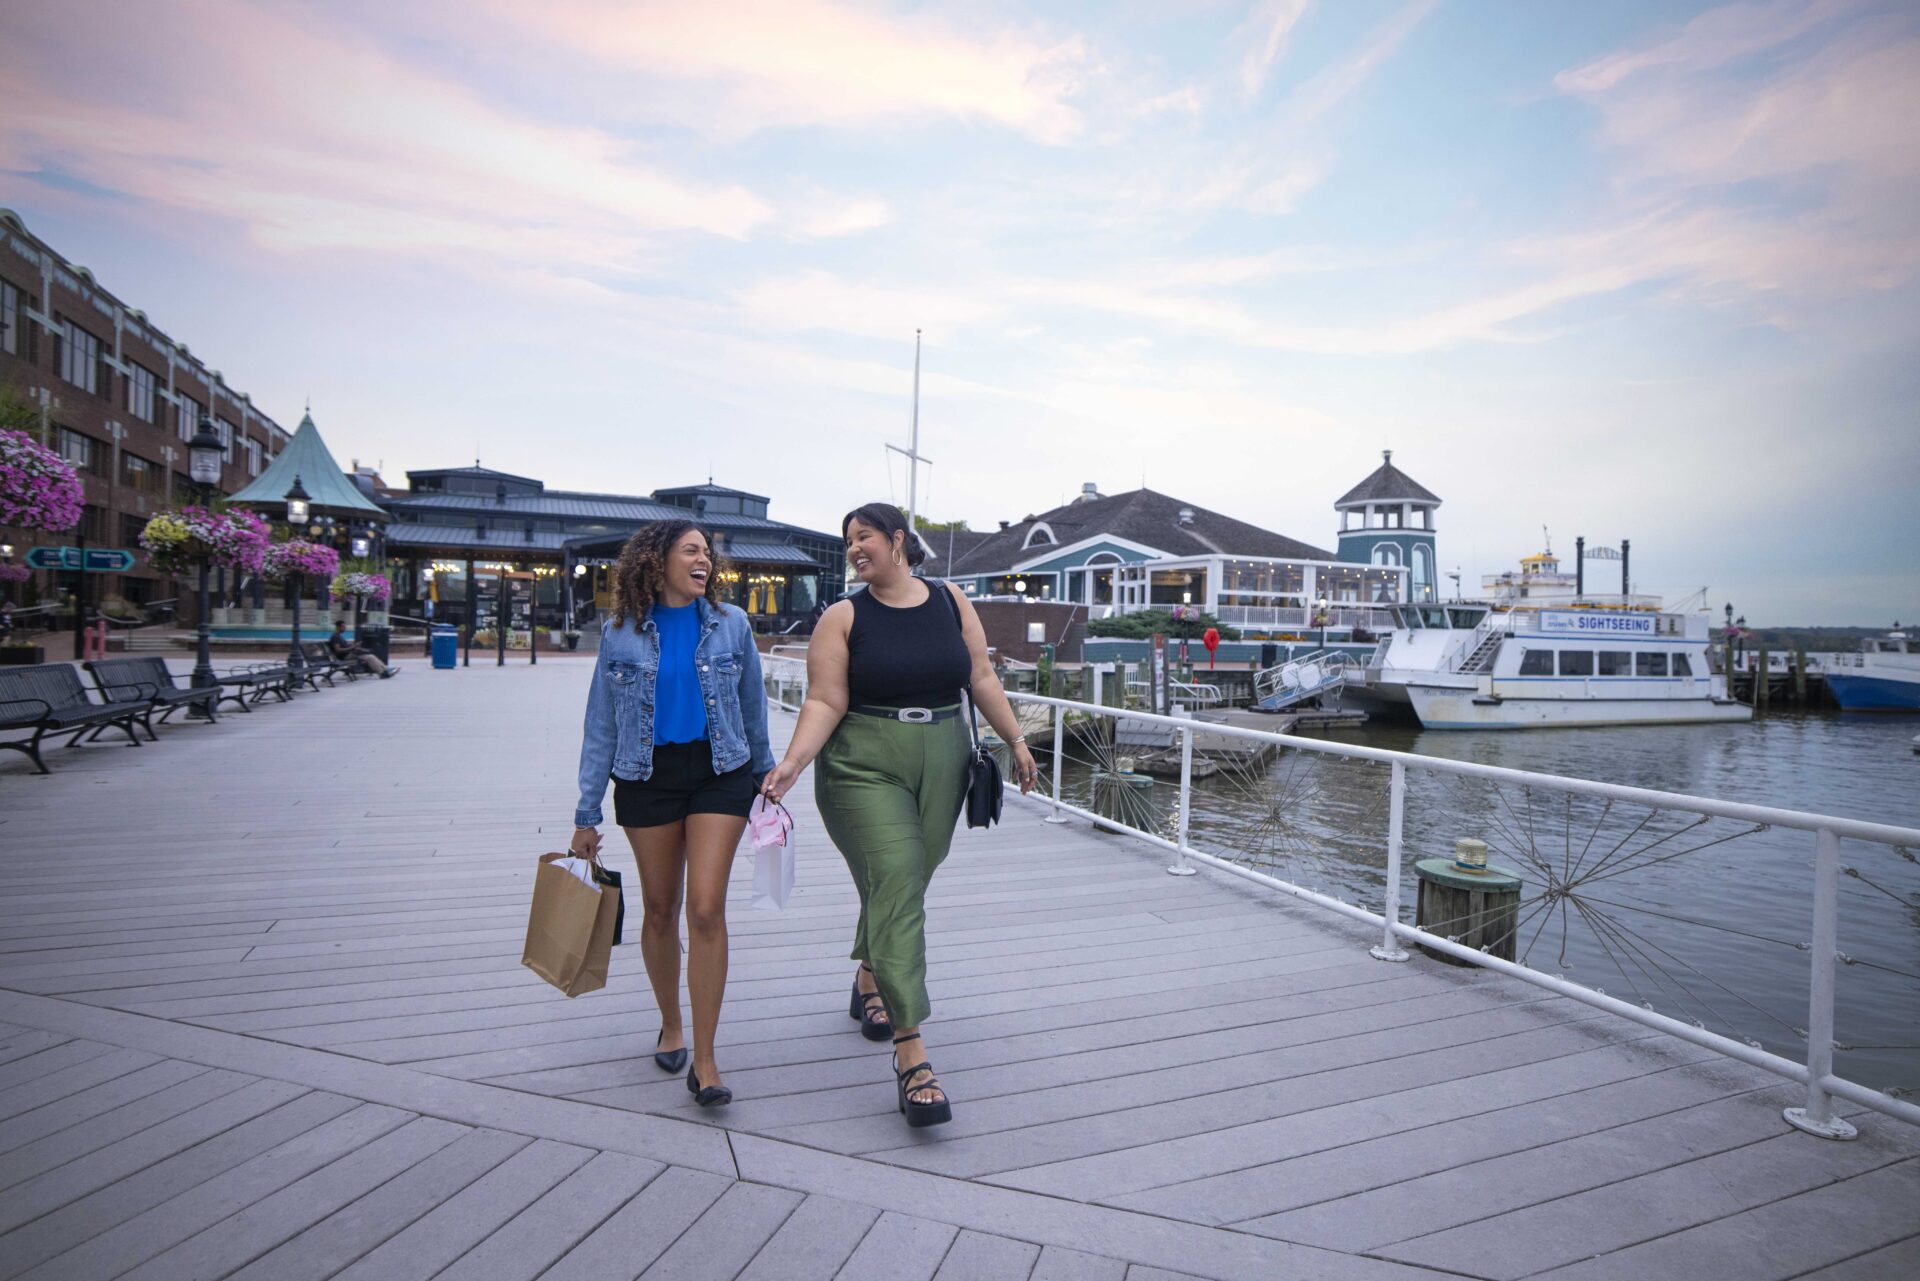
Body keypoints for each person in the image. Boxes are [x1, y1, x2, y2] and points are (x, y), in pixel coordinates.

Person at [760, 503, 1038, 1128]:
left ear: (897, 540)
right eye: (848, 541)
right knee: (897, 874)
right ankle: (912, 1051)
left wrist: (1017, 740)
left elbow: (982, 676)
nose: (855, 549)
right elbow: (827, 698)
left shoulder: (950, 601)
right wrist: (793, 764)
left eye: (865, 537)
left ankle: (869, 975)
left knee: (907, 879)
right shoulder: (843, 617)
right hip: (862, 761)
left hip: (943, 756)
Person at [571, 520, 773, 1108]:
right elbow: (600, 725)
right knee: (661, 910)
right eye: (691, 550)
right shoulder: (621, 633)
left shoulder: (732, 625)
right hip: (645, 778)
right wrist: (587, 813)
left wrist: (765, 780)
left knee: (706, 909)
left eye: (707, 552)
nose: (704, 559)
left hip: (720, 772)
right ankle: (671, 1023)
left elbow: (752, 707)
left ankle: (705, 1062)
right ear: (656, 562)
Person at [328, 620, 396, 678]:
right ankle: (382, 673)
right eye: (343, 627)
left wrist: (355, 647)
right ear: (338, 627)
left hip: (349, 654)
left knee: (370, 655)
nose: (345, 628)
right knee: (370, 657)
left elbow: (346, 647)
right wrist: (351, 648)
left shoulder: (339, 636)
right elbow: (338, 650)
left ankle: (386, 670)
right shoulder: (335, 637)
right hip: (344, 657)